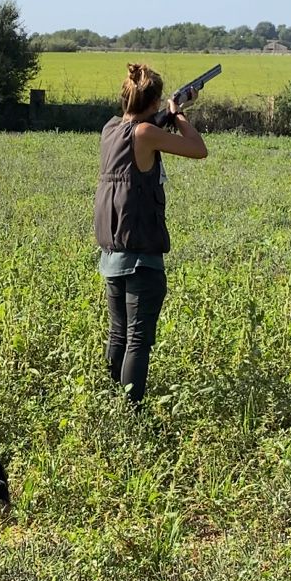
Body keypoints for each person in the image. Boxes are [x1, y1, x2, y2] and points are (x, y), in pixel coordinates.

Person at [93, 62, 208, 406]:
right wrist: (179, 114)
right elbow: (198, 149)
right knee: (138, 341)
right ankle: (131, 414)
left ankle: (110, 401)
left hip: (112, 255)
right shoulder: (145, 133)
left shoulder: (110, 129)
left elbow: (138, 132)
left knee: (119, 334)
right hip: (141, 258)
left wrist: (166, 115)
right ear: (155, 101)